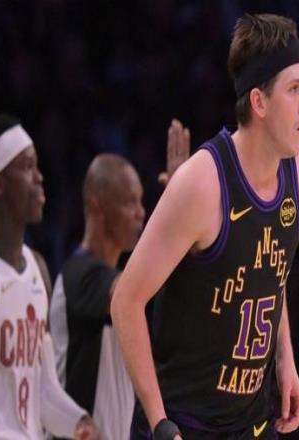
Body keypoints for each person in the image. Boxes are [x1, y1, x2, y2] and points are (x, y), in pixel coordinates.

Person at [112, 13, 299, 440]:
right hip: (184, 424)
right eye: (295, 89)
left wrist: (286, 358)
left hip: (251, 422)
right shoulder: (203, 184)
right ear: (259, 102)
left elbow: (272, 274)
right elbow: (126, 300)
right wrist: (159, 423)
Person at [49, 120, 190, 440]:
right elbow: (132, 293)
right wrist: (177, 212)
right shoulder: (79, 275)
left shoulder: (112, 278)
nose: (141, 212)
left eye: (141, 201)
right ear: (97, 206)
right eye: (130, 202)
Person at [0, 113, 99, 439]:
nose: (39, 177)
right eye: (27, 167)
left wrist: (81, 424)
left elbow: (45, 389)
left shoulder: (38, 268)